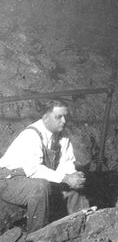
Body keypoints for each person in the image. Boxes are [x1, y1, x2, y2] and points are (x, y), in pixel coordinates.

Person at [0, 99, 89, 233]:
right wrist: (65, 178)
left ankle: (83, 228)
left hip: (32, 177)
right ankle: (37, 238)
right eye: (59, 117)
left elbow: (66, 163)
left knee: (75, 183)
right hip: (9, 179)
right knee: (40, 187)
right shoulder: (32, 135)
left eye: (65, 117)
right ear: (45, 118)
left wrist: (73, 177)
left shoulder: (63, 136)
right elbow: (33, 169)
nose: (64, 121)